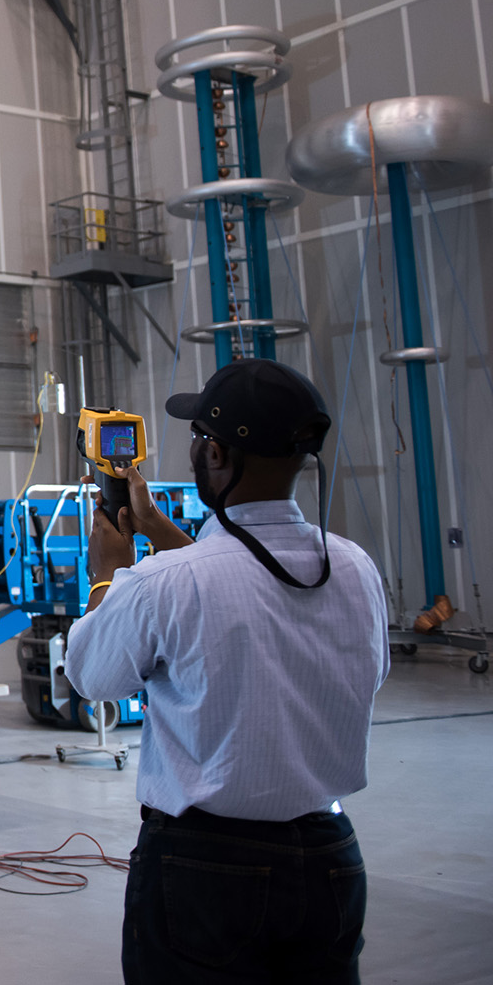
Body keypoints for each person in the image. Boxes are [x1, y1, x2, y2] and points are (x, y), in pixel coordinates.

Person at [64, 359, 390, 983]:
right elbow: (252, 591)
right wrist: (160, 531)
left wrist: (108, 574)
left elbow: (94, 676)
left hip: (206, 870)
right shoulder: (354, 567)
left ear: (215, 453)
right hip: (331, 860)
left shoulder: (166, 583)